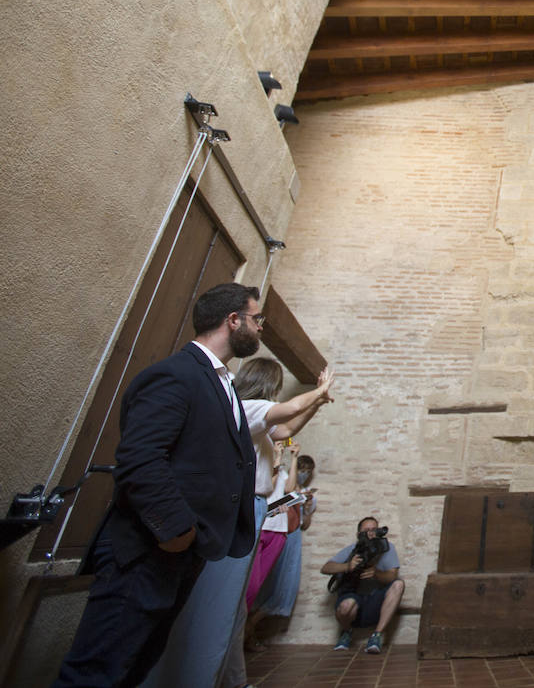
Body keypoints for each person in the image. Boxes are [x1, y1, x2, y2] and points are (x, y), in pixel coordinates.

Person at [52, 283, 261, 687]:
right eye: (257, 320)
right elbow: (141, 459)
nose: (260, 329)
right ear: (233, 321)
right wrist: (177, 531)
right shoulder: (176, 374)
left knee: (133, 667)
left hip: (180, 551)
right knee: (96, 673)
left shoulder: (221, 382)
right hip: (148, 548)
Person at [143, 358, 335, 688]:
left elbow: (287, 429)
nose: (276, 395)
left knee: (234, 605)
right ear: (267, 385)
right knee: (220, 603)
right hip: (244, 506)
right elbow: (287, 410)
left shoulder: (256, 417)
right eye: (275, 388)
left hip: (255, 508)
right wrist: (319, 389)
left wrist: (318, 401)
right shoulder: (247, 408)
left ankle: (232, 678)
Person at [246, 454, 316, 650]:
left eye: (308, 472)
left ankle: (249, 628)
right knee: (258, 584)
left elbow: (304, 524)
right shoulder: (281, 482)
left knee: (283, 588)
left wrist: (307, 507)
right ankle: (246, 631)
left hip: (291, 539)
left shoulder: (305, 493)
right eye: (302, 470)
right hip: (274, 531)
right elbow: (269, 507)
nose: (304, 474)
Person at [322, 516, 405, 654]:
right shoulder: (352, 549)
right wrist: (348, 566)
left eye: (374, 530)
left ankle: (376, 636)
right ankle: (347, 632)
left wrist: (376, 574)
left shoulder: (387, 548)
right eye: (366, 530)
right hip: (354, 600)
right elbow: (326, 568)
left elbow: (392, 576)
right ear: (358, 534)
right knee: (346, 606)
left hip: (375, 602)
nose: (371, 533)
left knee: (398, 585)